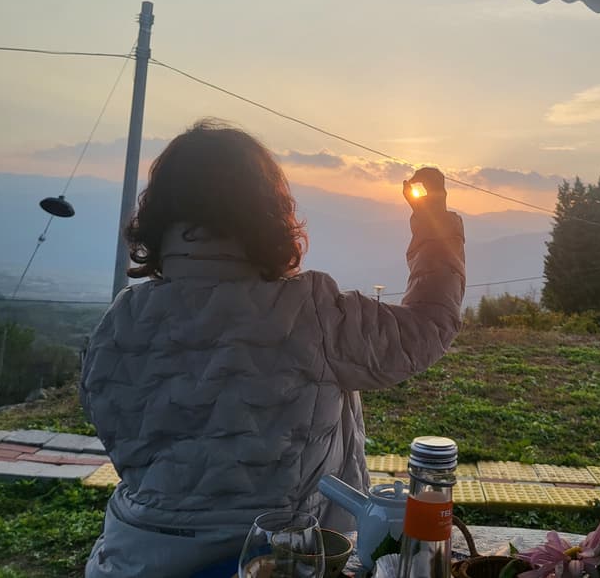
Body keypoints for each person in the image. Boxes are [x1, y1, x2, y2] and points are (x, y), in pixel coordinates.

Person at [80, 119, 465, 578]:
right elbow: (427, 327)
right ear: (268, 213)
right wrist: (434, 224)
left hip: (132, 560)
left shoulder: (118, 322)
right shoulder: (310, 312)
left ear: (159, 216)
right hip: (276, 559)